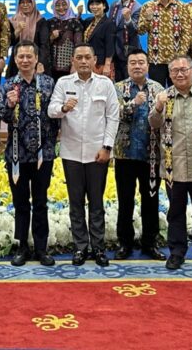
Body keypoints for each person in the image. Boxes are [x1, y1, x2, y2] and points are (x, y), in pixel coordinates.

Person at [48, 44, 119, 267]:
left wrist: (107, 147)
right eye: (79, 57)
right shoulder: (63, 83)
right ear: (73, 61)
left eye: (88, 57)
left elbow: (113, 117)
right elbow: (51, 110)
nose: (83, 61)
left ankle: (98, 248)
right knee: (75, 203)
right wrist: (63, 109)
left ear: (95, 59)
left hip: (97, 152)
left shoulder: (105, 84)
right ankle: (80, 247)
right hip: (71, 153)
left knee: (96, 203)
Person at [149, 55, 192, 272]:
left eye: (184, 69)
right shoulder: (164, 97)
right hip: (173, 169)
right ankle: (176, 253)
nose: (180, 73)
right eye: (175, 70)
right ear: (169, 74)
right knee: (175, 213)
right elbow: (153, 123)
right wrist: (158, 107)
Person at [0, 42, 58, 266]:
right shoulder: (8, 85)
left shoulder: (48, 83)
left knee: (41, 202)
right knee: (21, 202)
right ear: (15, 60)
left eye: (28, 56)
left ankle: (42, 248)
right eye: (20, 57)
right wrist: (9, 104)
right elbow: (2, 116)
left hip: (44, 154)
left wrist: (50, 141)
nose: (24, 60)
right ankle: (22, 246)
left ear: (36, 59)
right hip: (17, 154)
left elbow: (55, 116)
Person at [114, 49, 165, 261]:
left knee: (151, 200)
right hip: (125, 154)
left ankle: (149, 243)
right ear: (127, 66)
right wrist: (133, 104)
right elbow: (115, 114)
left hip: (151, 155)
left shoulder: (159, 89)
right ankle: (125, 243)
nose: (137, 66)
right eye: (133, 62)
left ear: (148, 66)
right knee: (125, 201)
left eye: (141, 62)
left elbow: (164, 118)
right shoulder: (118, 88)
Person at [138, 0, 192, 87]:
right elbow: (140, 31)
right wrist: (147, 19)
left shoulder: (182, 6)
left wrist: (181, 56)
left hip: (176, 60)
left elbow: (187, 33)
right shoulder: (148, 6)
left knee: (178, 92)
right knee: (157, 93)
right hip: (156, 59)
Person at [40, 0, 83, 82]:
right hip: (50, 69)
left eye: (64, 4)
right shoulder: (49, 22)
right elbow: (43, 44)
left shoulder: (75, 22)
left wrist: (74, 65)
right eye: (57, 5)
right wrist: (51, 37)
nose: (61, 8)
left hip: (69, 68)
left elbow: (78, 46)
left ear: (68, 5)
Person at [109, 0, 142, 83]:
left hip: (130, 53)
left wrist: (128, 19)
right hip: (115, 53)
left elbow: (136, 30)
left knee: (131, 85)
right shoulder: (114, 5)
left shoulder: (138, 7)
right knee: (117, 86)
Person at [6, 0, 46, 79]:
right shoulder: (12, 20)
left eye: (28, 2)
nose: (25, 5)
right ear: (19, 5)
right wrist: (18, 30)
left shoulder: (41, 21)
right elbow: (8, 43)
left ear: (33, 4)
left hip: (36, 61)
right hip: (17, 61)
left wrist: (41, 62)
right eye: (22, 2)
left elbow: (44, 44)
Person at [82, 0, 116, 79]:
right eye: (92, 4)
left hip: (102, 65)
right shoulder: (88, 21)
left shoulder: (109, 23)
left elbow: (110, 45)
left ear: (104, 6)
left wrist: (107, 65)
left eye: (97, 4)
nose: (94, 7)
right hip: (89, 63)